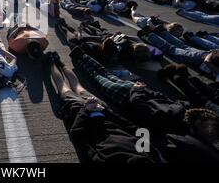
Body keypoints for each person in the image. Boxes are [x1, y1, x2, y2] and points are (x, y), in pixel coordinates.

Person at [69, 49, 219, 162]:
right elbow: (140, 108)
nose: (211, 139)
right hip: (126, 97)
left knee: (105, 74)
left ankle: (80, 54)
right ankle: (80, 59)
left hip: (135, 90)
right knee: (98, 78)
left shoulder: (185, 108)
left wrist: (142, 90)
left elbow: (160, 97)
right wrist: (138, 92)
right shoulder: (175, 122)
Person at [45, 52, 160, 163]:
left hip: (84, 115)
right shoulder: (148, 156)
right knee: (75, 87)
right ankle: (56, 62)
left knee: (67, 88)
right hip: (99, 111)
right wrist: (105, 110)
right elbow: (136, 129)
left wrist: (87, 110)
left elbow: (77, 135)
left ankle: (54, 63)